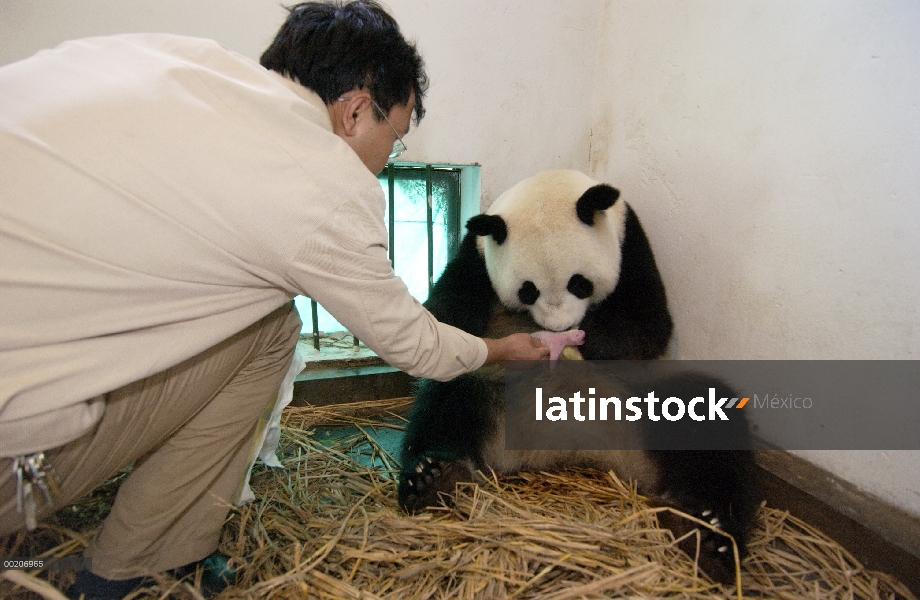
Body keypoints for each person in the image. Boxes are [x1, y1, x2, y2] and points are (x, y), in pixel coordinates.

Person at [0, 1, 549, 597]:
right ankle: (142, 570)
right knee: (272, 332)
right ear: (355, 112)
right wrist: (507, 348)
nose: (386, 160)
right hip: (13, 460)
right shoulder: (318, 182)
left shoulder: (178, 60)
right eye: (394, 141)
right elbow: (417, 347)